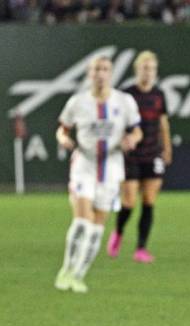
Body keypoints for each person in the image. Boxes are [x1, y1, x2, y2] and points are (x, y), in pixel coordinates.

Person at [54, 56, 142, 293]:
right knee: (82, 221)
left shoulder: (124, 102)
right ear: (89, 74)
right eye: (96, 69)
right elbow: (62, 130)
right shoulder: (77, 102)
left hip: (112, 167)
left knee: (97, 228)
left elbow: (137, 131)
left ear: (111, 73)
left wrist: (131, 139)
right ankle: (65, 270)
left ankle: (79, 275)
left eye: (105, 69)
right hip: (85, 164)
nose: (100, 73)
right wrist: (64, 140)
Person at [107, 50, 172, 263]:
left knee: (149, 201)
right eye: (145, 68)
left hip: (153, 153)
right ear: (137, 70)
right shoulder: (126, 95)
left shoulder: (159, 95)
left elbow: (163, 123)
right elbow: (116, 123)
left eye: (152, 68)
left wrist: (167, 148)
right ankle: (118, 232)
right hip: (132, 154)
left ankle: (141, 248)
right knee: (129, 201)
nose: (148, 72)